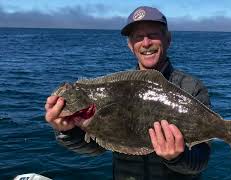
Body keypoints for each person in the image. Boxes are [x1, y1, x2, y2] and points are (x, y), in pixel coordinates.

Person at [45, 6, 212, 180]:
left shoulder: (192, 88)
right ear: (130, 45)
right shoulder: (116, 90)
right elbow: (96, 147)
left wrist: (178, 157)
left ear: (168, 39)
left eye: (153, 34)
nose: (146, 43)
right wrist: (68, 131)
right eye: (138, 37)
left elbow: (201, 161)